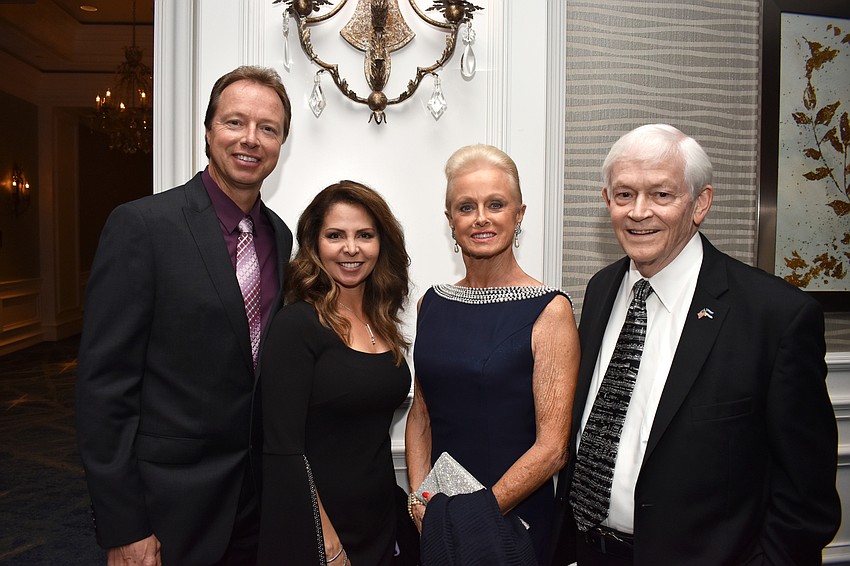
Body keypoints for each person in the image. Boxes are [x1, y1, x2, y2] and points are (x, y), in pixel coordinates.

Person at [549, 124, 841, 565]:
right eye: (624, 195)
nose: (639, 212)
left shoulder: (774, 317)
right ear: (606, 200)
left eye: (662, 195)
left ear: (699, 203)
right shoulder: (601, 289)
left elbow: (807, 497)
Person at [75, 65, 293, 566]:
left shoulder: (280, 238)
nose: (251, 139)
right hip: (167, 507)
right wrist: (124, 525)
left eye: (269, 128)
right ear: (209, 130)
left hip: (254, 504)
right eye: (235, 122)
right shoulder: (143, 226)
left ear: (282, 144)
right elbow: (104, 390)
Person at [405, 144, 580, 565]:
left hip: (513, 520)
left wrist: (471, 515)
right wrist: (419, 500)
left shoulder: (550, 310)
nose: (481, 218)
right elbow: (421, 415)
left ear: (519, 215)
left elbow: (553, 448)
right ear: (450, 221)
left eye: (495, 204)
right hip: (439, 514)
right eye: (466, 207)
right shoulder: (431, 303)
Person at [257, 181, 413, 566]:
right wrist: (326, 543)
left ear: (381, 243)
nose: (351, 249)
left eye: (364, 235)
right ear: (314, 244)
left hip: (378, 519)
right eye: (335, 235)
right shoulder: (298, 325)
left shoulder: (383, 323)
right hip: (319, 531)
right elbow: (284, 449)